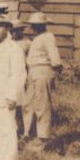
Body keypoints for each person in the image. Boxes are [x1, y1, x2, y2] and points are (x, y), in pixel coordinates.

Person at [0, 15, 27, 160]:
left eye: (0, 26)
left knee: (8, 129)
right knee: (0, 128)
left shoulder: (14, 48)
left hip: (7, 96)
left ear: (8, 28)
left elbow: (18, 73)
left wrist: (12, 96)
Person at [23, 12, 62, 144]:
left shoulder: (48, 36)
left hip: (42, 70)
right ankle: (27, 132)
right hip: (33, 71)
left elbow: (53, 53)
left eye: (38, 25)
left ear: (44, 25)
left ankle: (43, 136)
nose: (34, 27)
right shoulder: (37, 38)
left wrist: (56, 67)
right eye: (33, 25)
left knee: (42, 103)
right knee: (28, 103)